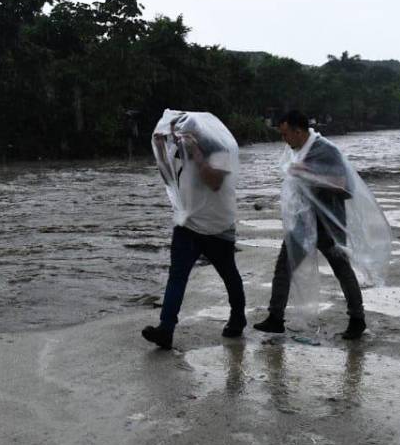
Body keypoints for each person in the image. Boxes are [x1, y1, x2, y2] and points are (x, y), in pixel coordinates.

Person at [254, 110, 370, 339]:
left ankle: (357, 319)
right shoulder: (298, 150)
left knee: (341, 269)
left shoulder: (326, 150)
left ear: (298, 131)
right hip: (302, 219)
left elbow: (346, 187)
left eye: (286, 134)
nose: (283, 139)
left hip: (327, 222)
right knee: (284, 267)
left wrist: (308, 174)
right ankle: (275, 318)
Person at [142, 110, 245, 350]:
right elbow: (169, 180)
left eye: (184, 133)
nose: (179, 137)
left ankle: (238, 317)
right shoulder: (182, 151)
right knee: (177, 276)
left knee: (228, 273)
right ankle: (166, 328)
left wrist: (196, 154)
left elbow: (215, 182)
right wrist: (160, 149)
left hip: (217, 226)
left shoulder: (220, 149)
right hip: (188, 223)